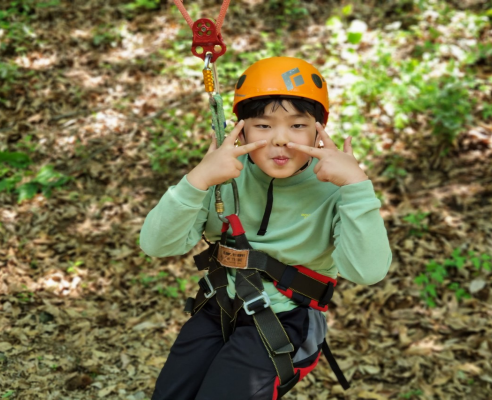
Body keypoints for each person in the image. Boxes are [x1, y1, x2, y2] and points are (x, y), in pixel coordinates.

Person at [140, 57, 392, 400]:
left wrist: (356, 187)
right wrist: (197, 179)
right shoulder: (222, 175)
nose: (281, 140)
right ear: (240, 128)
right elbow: (157, 245)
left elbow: (368, 271)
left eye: (298, 125)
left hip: (289, 318)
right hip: (219, 308)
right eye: (263, 125)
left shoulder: (334, 189)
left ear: (320, 129)